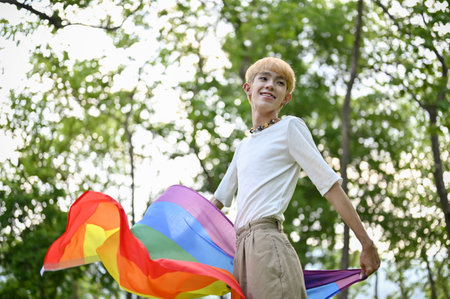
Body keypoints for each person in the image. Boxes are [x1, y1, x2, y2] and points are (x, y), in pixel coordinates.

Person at [210, 57, 380, 299]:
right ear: (248, 88)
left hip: (267, 245)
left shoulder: (289, 128)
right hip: (241, 252)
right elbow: (215, 203)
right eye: (264, 78)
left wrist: (366, 243)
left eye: (280, 83)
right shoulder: (243, 146)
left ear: (285, 98)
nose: (270, 85)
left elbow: (329, 184)